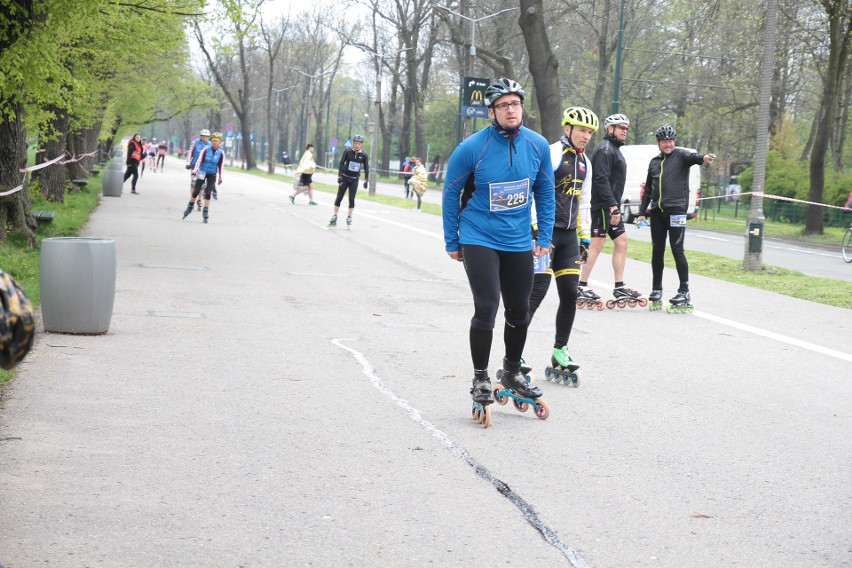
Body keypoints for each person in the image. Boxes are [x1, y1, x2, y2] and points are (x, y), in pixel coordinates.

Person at [441, 77, 555, 414]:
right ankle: (480, 377)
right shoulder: (472, 148)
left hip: (518, 239)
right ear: (491, 111)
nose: (511, 109)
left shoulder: (538, 146)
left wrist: (544, 237)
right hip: (478, 237)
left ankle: (511, 370)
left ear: (522, 108)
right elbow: (450, 194)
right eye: (503, 105)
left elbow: (546, 192)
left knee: (519, 310)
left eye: (515, 103)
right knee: (488, 306)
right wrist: (452, 239)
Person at [527, 106, 596, 379]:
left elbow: (585, 202)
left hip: (568, 237)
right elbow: (534, 192)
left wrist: (585, 236)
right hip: (545, 235)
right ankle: (516, 352)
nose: (586, 136)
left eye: (590, 132)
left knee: (569, 294)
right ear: (567, 128)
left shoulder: (585, 163)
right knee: (537, 292)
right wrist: (534, 228)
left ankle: (560, 350)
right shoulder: (552, 153)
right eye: (582, 130)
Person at [637, 124, 715, 309]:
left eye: (670, 140)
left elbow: (694, 157)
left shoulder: (681, 155)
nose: (668, 144)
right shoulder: (654, 162)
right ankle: (657, 289)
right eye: (664, 141)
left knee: (677, 249)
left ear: (675, 141)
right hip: (657, 212)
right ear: (658, 143)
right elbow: (648, 189)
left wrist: (703, 158)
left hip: (677, 211)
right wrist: (642, 212)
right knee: (657, 251)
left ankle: (684, 291)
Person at [578, 113, 643, 305]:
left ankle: (619, 287)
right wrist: (613, 206)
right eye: (621, 127)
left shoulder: (614, 149)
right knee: (596, 245)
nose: (625, 130)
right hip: (602, 207)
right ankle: (580, 285)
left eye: (626, 128)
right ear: (610, 129)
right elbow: (601, 180)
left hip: (611, 207)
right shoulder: (606, 150)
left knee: (622, 242)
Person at [183, 132, 224, 224]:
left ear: (219, 142)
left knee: (208, 192)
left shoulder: (221, 153)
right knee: (196, 190)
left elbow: (221, 165)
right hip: (202, 171)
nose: (215, 143)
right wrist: (194, 171)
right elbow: (199, 161)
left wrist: (220, 177)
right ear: (212, 141)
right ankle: (190, 206)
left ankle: (205, 211)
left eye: (217, 141)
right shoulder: (205, 149)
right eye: (213, 141)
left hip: (212, 174)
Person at [330, 134, 369, 227]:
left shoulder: (363, 155)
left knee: (351, 198)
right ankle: (335, 216)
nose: (356, 145)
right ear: (353, 143)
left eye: (358, 144)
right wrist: (339, 176)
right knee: (339, 197)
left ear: (361, 145)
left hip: (354, 179)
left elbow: (366, 168)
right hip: (344, 177)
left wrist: (366, 180)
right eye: (355, 143)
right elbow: (341, 163)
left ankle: (349, 216)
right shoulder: (347, 152)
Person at [186, 129, 211, 210]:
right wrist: (188, 163)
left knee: (202, 185)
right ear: (201, 136)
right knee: (193, 183)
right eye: (203, 136)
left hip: (203, 167)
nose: (205, 138)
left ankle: (199, 199)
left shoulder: (210, 145)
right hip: (194, 165)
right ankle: (192, 199)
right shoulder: (195, 143)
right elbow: (190, 152)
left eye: (206, 137)